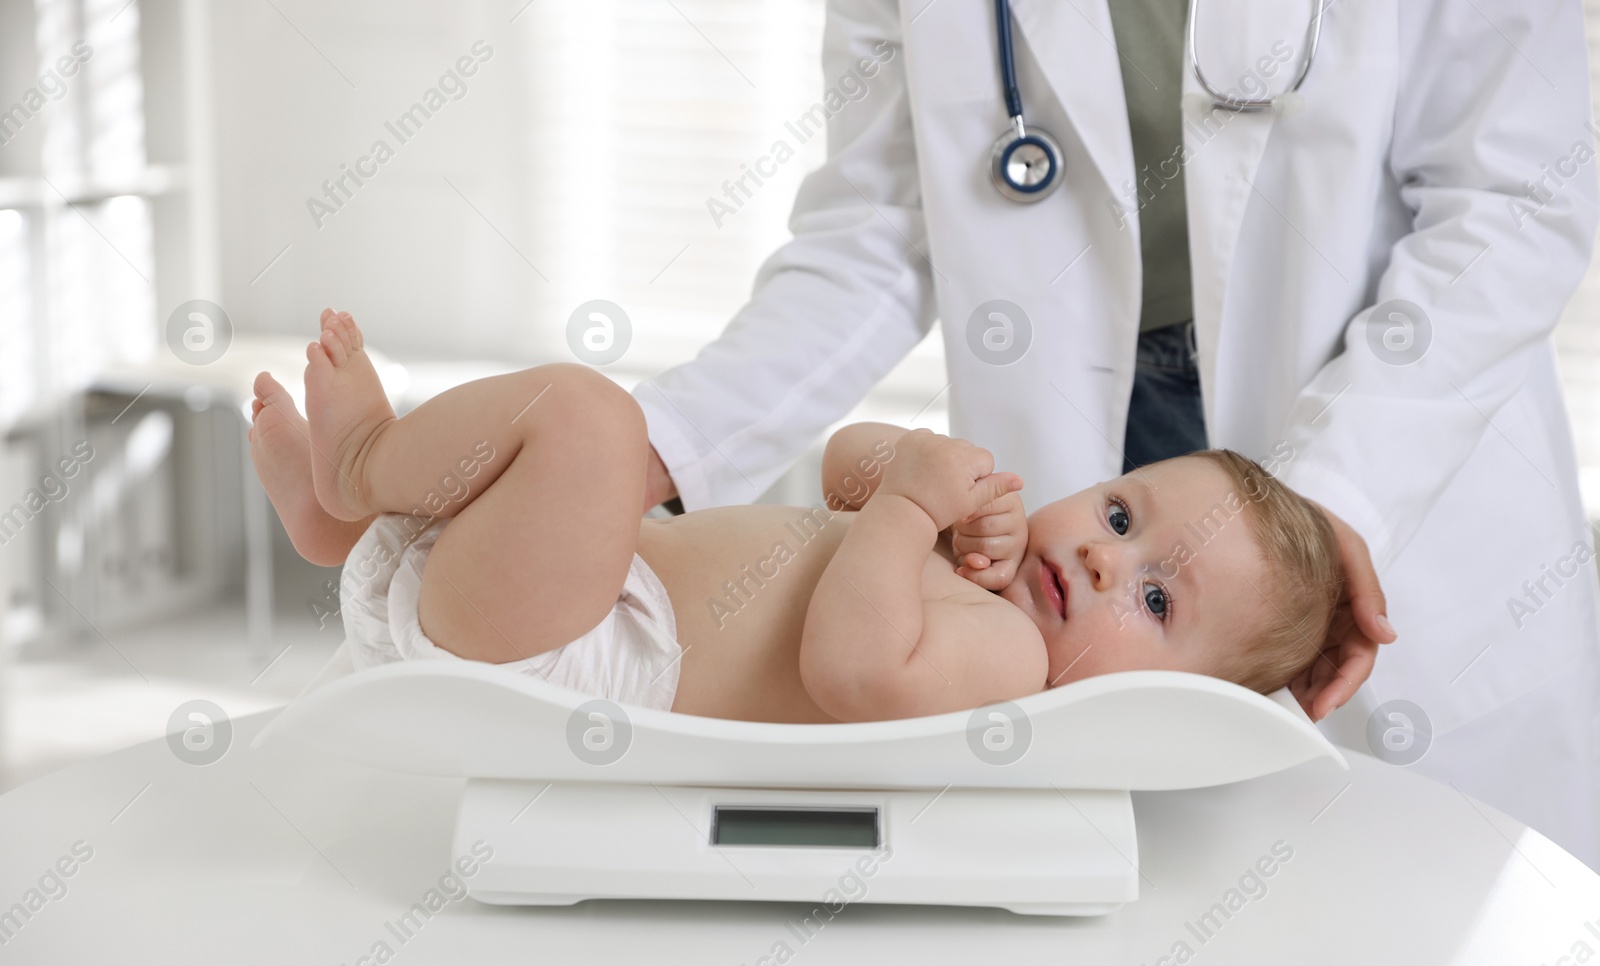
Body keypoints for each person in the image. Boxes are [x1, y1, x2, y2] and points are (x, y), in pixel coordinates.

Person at [630, 0, 1600, 865]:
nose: (1104, 563)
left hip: (1383, 433)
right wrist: (664, 441)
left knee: (1420, 956)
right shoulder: (1048, 556)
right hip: (1081, 438)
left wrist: (1330, 500)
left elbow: (1516, 198)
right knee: (1115, 927)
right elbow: (878, 229)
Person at [247, 310, 1342, 724]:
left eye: (1156, 596)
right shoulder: (982, 561)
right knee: (575, 459)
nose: (1106, 562)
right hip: (582, 592)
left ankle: (363, 464)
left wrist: (913, 507)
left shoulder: (1007, 661)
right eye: (1118, 512)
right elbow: (839, 472)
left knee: (587, 422)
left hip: (584, 655)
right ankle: (352, 528)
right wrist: (903, 473)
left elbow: (852, 670)